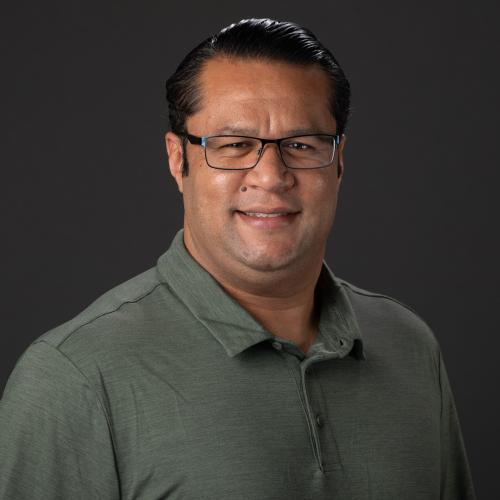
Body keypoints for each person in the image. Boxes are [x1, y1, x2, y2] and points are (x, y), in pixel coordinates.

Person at [0, 18, 475, 499]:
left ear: (339, 161)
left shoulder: (409, 346)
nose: (270, 176)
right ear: (178, 160)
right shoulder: (75, 377)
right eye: (233, 146)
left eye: (301, 145)